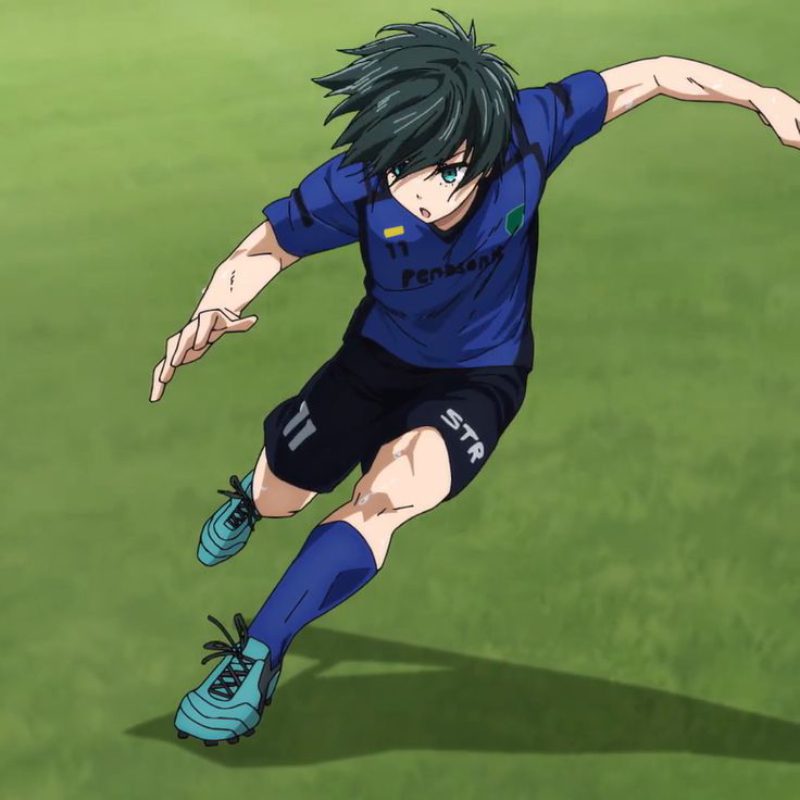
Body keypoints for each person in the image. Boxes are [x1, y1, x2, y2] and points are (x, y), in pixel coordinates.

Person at [149, 10, 799, 746]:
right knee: (279, 498)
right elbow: (267, 248)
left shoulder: (531, 131)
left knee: (387, 498)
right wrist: (214, 305)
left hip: (480, 376)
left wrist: (761, 96)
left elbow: (652, 75)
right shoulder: (361, 182)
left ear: (483, 149)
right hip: (374, 362)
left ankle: (257, 653)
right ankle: (252, 497)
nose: (418, 193)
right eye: (402, 170)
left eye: (445, 170)